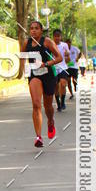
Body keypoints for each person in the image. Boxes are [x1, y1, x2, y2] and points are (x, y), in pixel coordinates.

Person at [20, 20, 64, 148]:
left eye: (36, 28)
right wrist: (22, 70)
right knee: (36, 104)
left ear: (41, 30)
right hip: (34, 75)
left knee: (48, 106)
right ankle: (38, 136)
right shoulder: (26, 43)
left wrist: (46, 64)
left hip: (48, 75)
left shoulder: (47, 42)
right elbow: (21, 57)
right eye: (31, 28)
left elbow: (59, 57)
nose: (33, 30)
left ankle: (50, 121)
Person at [52, 29, 70, 111]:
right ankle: (58, 104)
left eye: (58, 36)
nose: (57, 38)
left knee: (63, 85)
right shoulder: (50, 45)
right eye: (55, 36)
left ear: (60, 37)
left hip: (63, 67)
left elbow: (68, 59)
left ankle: (63, 102)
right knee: (56, 86)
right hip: (54, 68)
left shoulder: (64, 45)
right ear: (53, 37)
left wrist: (67, 56)